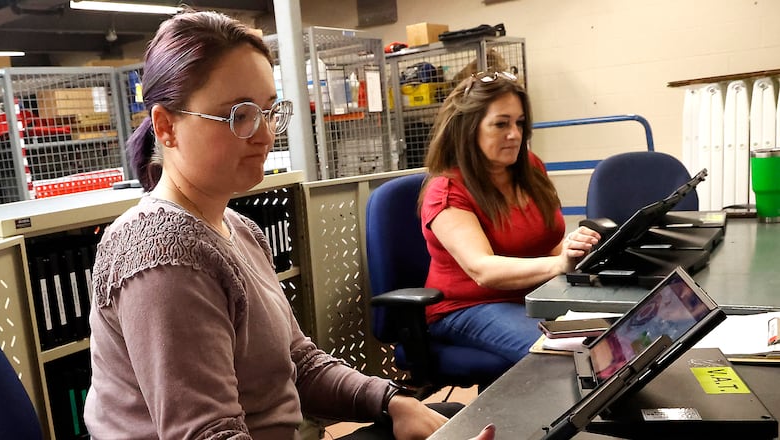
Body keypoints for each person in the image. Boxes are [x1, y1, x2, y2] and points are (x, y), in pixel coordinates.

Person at [83, 9, 496, 440]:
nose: (264, 133)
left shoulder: (238, 229)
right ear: (166, 126)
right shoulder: (163, 254)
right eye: (239, 114)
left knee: (440, 417)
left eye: (268, 110)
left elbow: (297, 362)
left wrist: (392, 401)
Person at [420, 70, 601, 367]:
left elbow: (548, 242)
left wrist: (577, 253)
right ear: (469, 129)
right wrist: (559, 264)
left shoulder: (529, 168)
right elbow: (482, 269)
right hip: (469, 307)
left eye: (519, 123)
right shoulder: (447, 191)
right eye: (501, 124)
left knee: (618, 334)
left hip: (536, 296)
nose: (515, 134)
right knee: (570, 358)